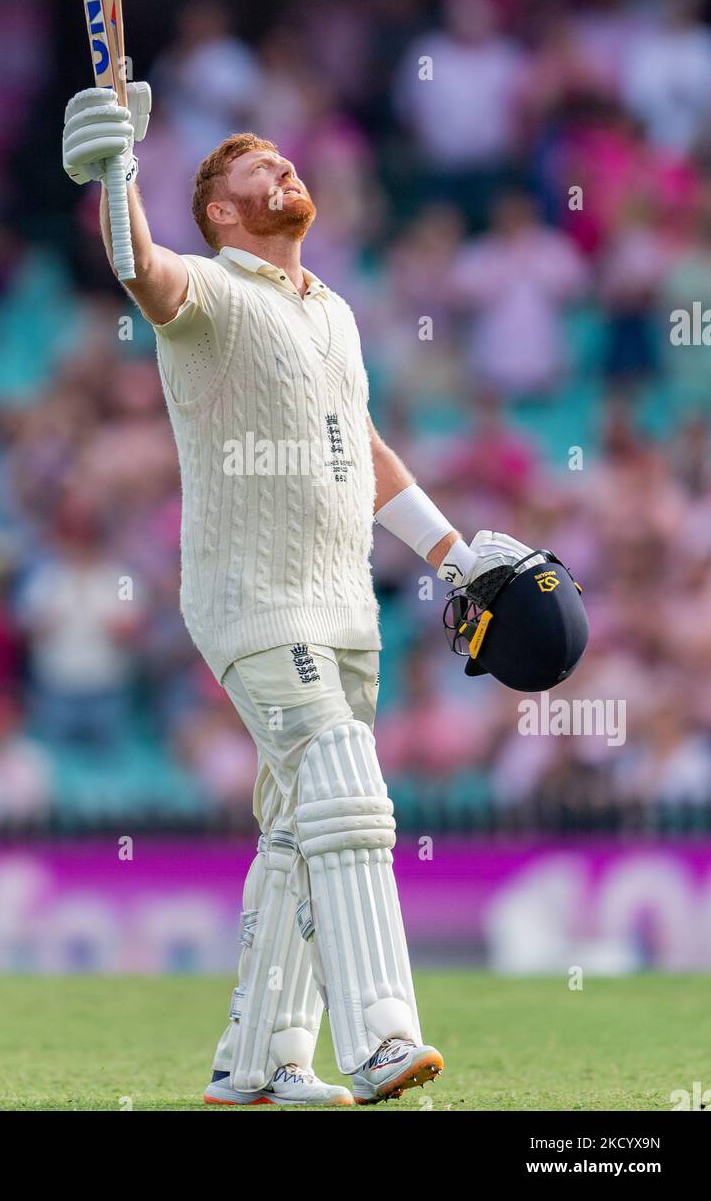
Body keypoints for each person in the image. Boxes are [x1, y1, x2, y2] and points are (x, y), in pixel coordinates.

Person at [61, 83, 534, 1107]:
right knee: (352, 796)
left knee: (295, 829)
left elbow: (358, 449)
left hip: (343, 608)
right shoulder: (214, 294)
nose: (282, 168)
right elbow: (141, 269)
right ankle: (380, 1038)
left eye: (285, 156)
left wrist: (449, 551)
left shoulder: (333, 312)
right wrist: (115, 173)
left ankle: (260, 1064)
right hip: (255, 600)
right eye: (254, 167)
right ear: (222, 213)